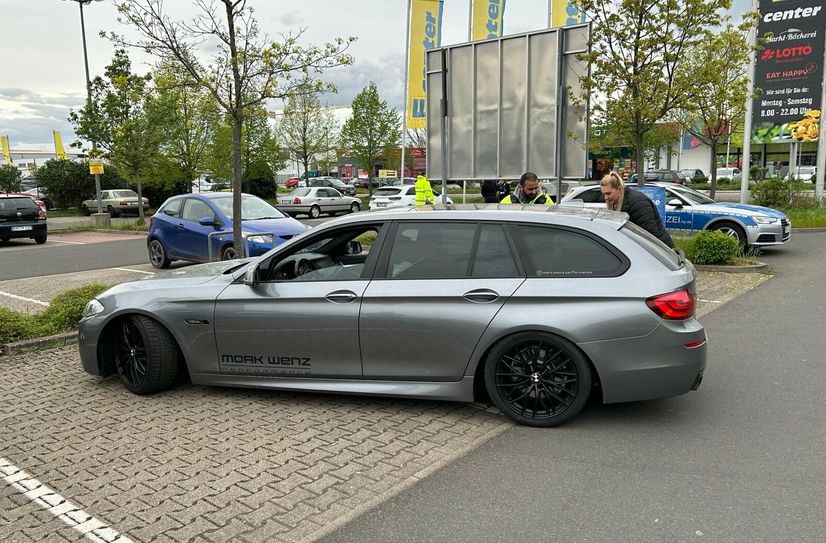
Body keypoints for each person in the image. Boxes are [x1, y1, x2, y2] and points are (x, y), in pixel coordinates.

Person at [600, 171, 675, 248]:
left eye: (608, 193)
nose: (606, 197)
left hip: (660, 251)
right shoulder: (621, 202)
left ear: (619, 189)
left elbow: (650, 235)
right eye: (604, 194)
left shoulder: (637, 202)